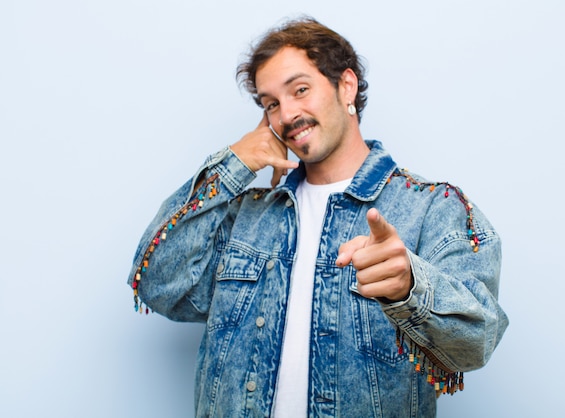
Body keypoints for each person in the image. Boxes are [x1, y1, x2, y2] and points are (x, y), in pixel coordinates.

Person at [128, 16, 508, 418]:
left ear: (346, 86)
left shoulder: (432, 207)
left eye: (300, 90)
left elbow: (476, 341)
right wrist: (234, 163)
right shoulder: (248, 216)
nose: (286, 115)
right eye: (270, 104)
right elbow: (157, 281)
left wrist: (410, 286)